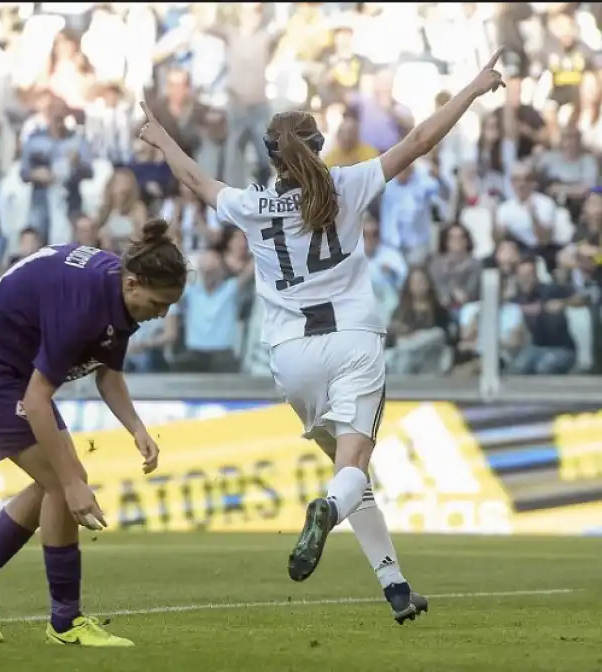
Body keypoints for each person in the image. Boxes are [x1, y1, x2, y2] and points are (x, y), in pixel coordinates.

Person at [137, 51, 506, 624]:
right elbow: (420, 140)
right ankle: (326, 511)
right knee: (349, 476)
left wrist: (162, 138)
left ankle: (396, 588)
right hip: (353, 341)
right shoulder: (348, 185)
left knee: (350, 473)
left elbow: (193, 178)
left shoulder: (252, 205)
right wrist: (473, 88)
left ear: (271, 157)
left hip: (290, 358)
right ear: (319, 146)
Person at [0, 219, 187, 647]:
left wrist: (136, 428)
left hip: (10, 372)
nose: (161, 314)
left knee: (58, 482)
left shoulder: (115, 293)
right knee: (63, 484)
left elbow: (108, 374)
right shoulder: (84, 305)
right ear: (134, 283)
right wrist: (71, 484)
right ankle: (65, 623)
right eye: (159, 303)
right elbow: (35, 402)